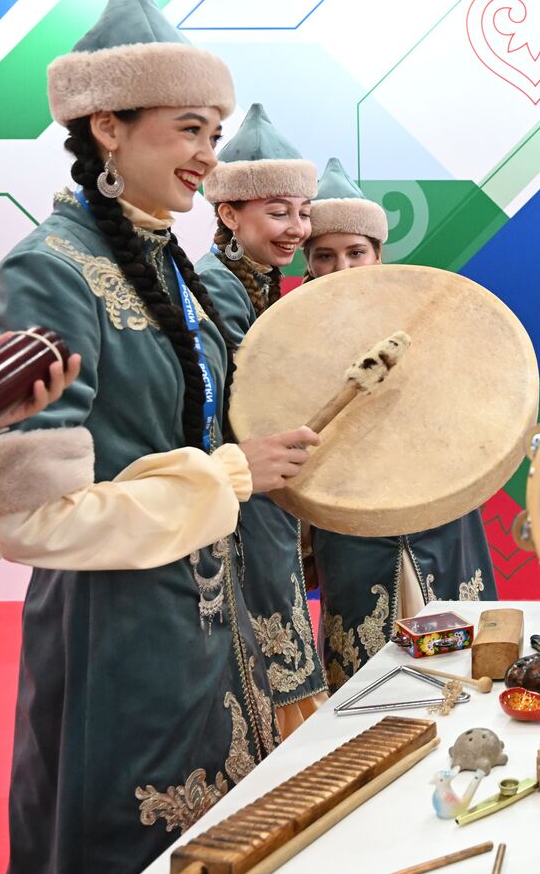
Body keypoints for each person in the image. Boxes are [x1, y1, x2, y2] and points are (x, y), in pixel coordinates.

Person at [0, 0, 316, 871]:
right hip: (115, 636)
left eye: (214, 132)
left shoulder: (164, 266)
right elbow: (33, 523)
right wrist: (232, 476)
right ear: (107, 127)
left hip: (207, 627)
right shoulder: (49, 273)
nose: (208, 155)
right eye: (189, 130)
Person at [298, 156, 499, 691]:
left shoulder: (423, 317)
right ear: (308, 264)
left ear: (379, 254)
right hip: (352, 513)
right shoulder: (293, 337)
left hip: (436, 502)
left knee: (458, 661)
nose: (342, 268)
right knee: (367, 670)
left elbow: (468, 408)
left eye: (355, 253)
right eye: (325, 255)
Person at [195, 103, 328, 735]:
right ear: (228, 213)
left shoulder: (254, 281)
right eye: (279, 213)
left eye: (303, 212)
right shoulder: (214, 287)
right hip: (235, 497)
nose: (297, 229)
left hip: (258, 497)